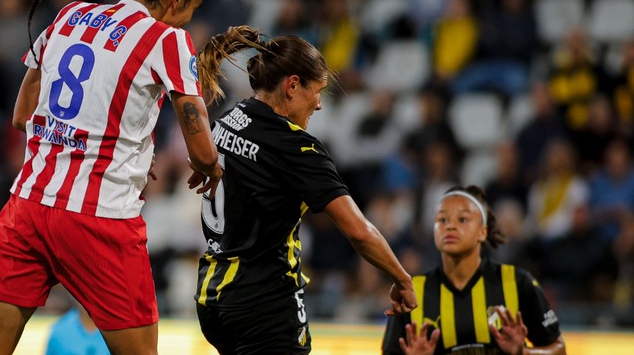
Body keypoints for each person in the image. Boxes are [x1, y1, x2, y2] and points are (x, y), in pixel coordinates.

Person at [0, 0, 222, 355]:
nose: (187, 21)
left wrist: (115, 144)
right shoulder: (168, 38)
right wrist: (211, 167)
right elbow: (200, 148)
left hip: (27, 207)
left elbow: (21, 116)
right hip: (99, 218)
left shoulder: (68, 16)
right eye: (189, 10)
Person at [192, 26, 417, 354]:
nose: (319, 104)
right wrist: (402, 279)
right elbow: (359, 231)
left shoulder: (229, 119)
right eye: (318, 91)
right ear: (292, 85)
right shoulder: (295, 147)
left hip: (213, 297)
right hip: (265, 303)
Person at [382, 186, 566, 354]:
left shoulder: (517, 282)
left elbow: (559, 348)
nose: (450, 226)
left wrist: (523, 353)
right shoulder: (412, 292)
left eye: (462, 219)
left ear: (483, 231)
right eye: (442, 219)